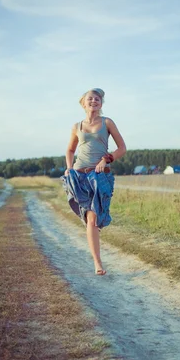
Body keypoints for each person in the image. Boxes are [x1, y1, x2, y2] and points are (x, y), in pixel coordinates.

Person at [62, 88, 126, 275]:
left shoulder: (107, 122)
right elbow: (70, 150)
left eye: (97, 99)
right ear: (83, 103)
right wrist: (69, 167)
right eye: (90, 98)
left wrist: (107, 159)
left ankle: (96, 255)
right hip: (80, 175)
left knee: (94, 219)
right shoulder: (77, 126)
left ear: (101, 103)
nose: (94, 101)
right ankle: (98, 263)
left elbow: (122, 148)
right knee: (91, 218)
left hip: (100, 176)